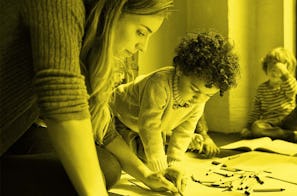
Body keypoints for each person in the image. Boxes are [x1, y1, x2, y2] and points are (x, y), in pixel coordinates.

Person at [0, 0, 182, 195]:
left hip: (13, 135)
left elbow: (103, 130)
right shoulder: (60, 5)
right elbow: (62, 104)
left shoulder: (84, 40)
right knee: (91, 176)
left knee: (107, 166)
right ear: (113, 12)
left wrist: (145, 174)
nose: (143, 47)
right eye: (141, 32)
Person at [112, 31, 239, 183]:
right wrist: (160, 170)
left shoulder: (200, 99)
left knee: (151, 153)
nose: (199, 98)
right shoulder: (159, 84)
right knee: (131, 159)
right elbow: (149, 126)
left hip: (147, 127)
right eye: (195, 89)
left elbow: (185, 130)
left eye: (208, 95)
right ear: (180, 70)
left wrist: (175, 163)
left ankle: (161, 145)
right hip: (118, 118)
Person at [240, 47, 297, 142]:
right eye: (271, 67)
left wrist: (284, 73)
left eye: (278, 70)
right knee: (256, 127)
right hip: (270, 124)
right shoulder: (261, 89)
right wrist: (248, 127)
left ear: (287, 71)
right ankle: (295, 136)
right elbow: (256, 110)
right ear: (266, 68)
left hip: (289, 120)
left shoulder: (287, 84)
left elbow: (293, 90)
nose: (274, 71)